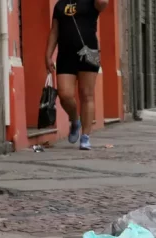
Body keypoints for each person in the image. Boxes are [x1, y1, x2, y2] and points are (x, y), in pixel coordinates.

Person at [46, 0, 109, 150]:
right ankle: (75, 120)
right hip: (65, 55)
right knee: (64, 94)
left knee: (87, 95)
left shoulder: (93, 2)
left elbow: (103, 3)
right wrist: (48, 55)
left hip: (89, 53)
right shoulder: (60, 5)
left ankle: (85, 137)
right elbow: (54, 31)